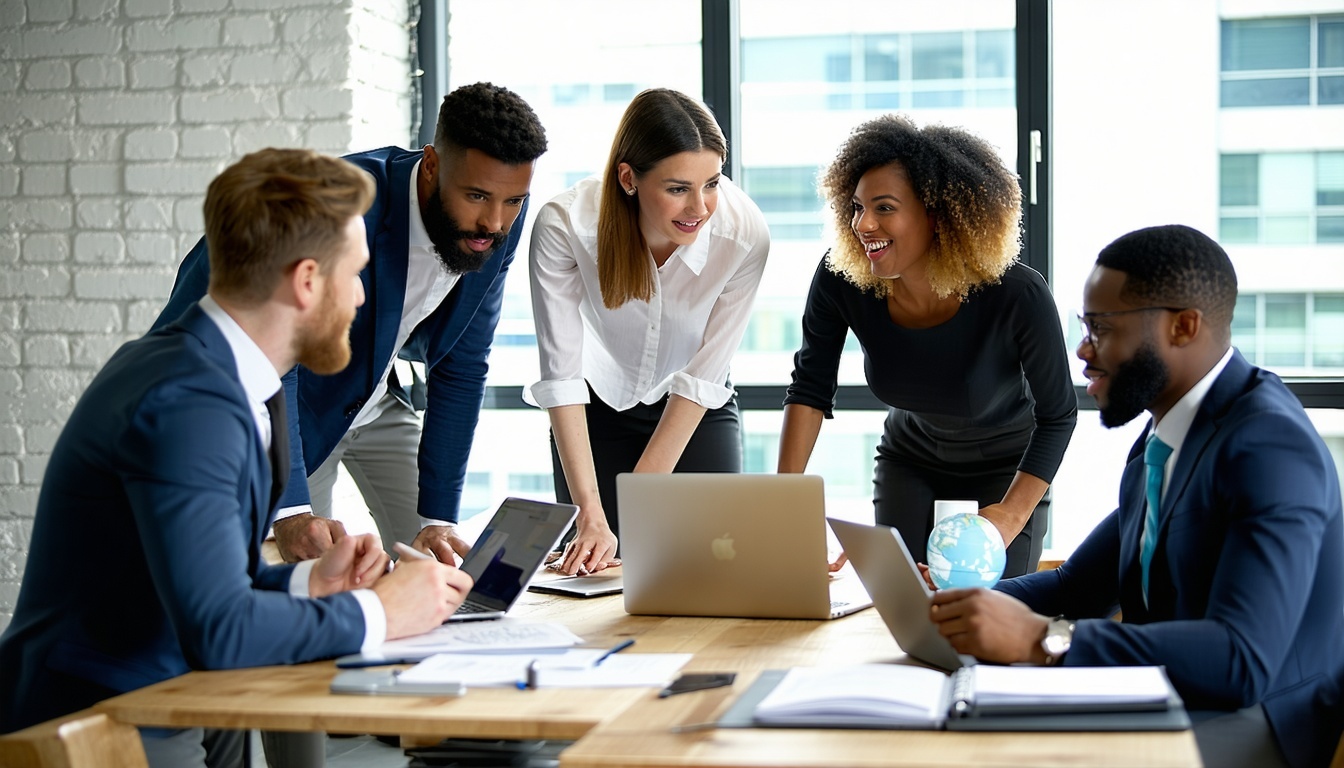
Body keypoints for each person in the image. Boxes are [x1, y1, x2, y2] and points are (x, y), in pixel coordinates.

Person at [0, 149, 473, 766]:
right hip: (94, 727)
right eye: (354, 273)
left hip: (172, 699)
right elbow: (220, 632)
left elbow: (209, 586)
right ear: (307, 281)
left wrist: (312, 583)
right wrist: (380, 610)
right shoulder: (187, 405)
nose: (361, 297)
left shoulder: (227, 378)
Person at [928, 225, 1344, 768]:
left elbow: (1243, 660)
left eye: (1101, 329)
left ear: (1183, 326)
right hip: (1170, 698)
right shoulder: (1165, 432)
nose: (1082, 349)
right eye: (1085, 326)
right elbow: (1078, 585)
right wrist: (958, 603)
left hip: (1262, 722)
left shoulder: (1269, 446)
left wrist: (1046, 641)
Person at [153, 82, 548, 564]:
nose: (495, 222)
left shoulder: (500, 219)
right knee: (298, 572)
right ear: (431, 167)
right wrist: (291, 508)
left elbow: (464, 363)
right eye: (477, 195)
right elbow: (271, 358)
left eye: (513, 201)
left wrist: (437, 519)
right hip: (290, 409)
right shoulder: (338, 206)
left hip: (376, 399)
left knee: (443, 564)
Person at [778, 114, 1077, 577]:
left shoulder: (1017, 295)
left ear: (937, 214)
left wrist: (1011, 515)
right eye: (856, 207)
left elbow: (1058, 415)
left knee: (995, 613)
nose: (863, 224)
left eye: (884, 207)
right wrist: (784, 505)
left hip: (1007, 468)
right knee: (903, 605)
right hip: (910, 458)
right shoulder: (843, 280)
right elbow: (810, 390)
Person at [527, 88, 770, 574]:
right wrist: (592, 515)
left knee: (711, 571)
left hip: (692, 409)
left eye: (712, 183)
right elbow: (561, 376)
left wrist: (640, 504)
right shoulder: (565, 227)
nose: (699, 207)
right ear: (629, 179)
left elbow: (705, 374)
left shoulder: (743, 236)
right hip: (594, 411)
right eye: (678, 188)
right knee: (595, 577)